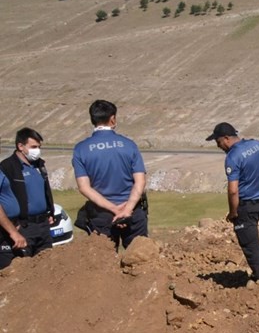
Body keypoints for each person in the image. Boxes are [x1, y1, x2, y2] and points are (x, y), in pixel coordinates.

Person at [206, 122, 259, 283]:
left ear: (226, 138)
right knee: (253, 239)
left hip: (246, 205)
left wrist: (233, 212)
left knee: (249, 245)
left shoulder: (232, 157)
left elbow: (233, 190)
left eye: (218, 142)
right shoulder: (256, 145)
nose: (219, 146)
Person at [72, 99, 148, 250]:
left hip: (102, 214)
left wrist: (114, 209)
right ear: (112, 118)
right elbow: (140, 182)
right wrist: (126, 210)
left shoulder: (80, 149)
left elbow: (84, 187)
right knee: (141, 260)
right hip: (132, 211)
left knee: (104, 264)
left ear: (92, 119)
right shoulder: (129, 145)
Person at [0, 128, 55, 264]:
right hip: (23, 226)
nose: (37, 151)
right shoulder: (7, 167)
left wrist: (50, 211)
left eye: (39, 147)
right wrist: (13, 230)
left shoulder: (40, 165)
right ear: (20, 146)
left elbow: (44, 190)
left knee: (46, 266)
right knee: (23, 268)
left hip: (43, 226)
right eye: (33, 147)